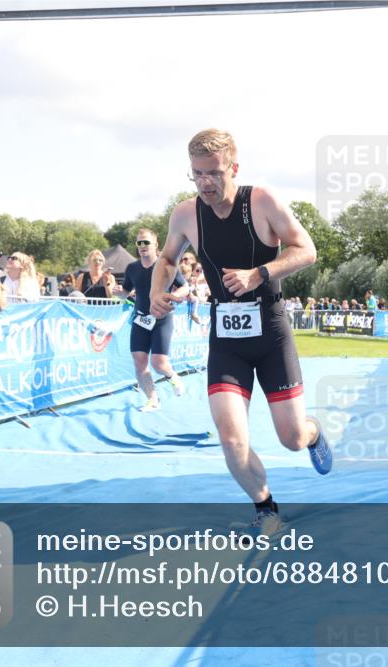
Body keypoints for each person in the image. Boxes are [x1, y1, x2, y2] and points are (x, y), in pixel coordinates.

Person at [149, 128, 331, 530]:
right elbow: (166, 259)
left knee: (292, 438)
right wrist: (157, 292)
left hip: (270, 330)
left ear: (234, 167)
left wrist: (259, 273)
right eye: (197, 174)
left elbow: (307, 249)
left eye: (214, 173)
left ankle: (314, 433)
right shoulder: (185, 214)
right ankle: (265, 507)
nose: (206, 183)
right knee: (231, 440)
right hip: (227, 339)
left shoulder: (262, 201)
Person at [119, 228, 188, 412]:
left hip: (162, 319)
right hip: (141, 319)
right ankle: (152, 399)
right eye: (139, 243)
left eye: (146, 242)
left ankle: (172, 376)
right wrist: (119, 293)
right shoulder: (132, 268)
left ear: (156, 245)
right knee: (139, 360)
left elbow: (185, 288)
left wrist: (175, 296)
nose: (142, 246)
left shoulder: (166, 265)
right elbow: (126, 294)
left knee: (159, 363)